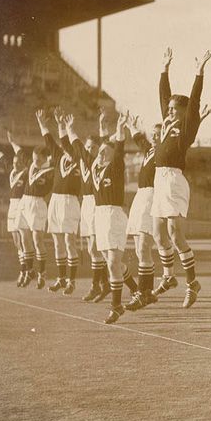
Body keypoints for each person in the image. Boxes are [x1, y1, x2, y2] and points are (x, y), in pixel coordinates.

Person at [150, 47, 211, 309]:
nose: (170, 111)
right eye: (169, 108)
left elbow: (194, 103)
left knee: (175, 235)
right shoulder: (167, 125)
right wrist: (164, 69)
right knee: (157, 233)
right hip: (159, 180)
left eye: (175, 109)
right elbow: (164, 96)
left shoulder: (187, 127)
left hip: (174, 180)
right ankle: (168, 276)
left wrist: (199, 73)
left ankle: (192, 283)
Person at [68, 111, 132, 324]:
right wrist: (69, 129)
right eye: (101, 152)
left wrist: (119, 129)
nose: (102, 154)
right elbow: (79, 148)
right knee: (112, 262)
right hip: (100, 217)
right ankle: (137, 289)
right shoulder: (95, 167)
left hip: (114, 216)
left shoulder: (115, 168)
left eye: (106, 152)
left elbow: (118, 147)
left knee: (113, 262)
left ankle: (116, 306)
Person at [36, 109, 82, 295]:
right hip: (55, 201)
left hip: (70, 202)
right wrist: (43, 124)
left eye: (68, 145)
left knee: (70, 242)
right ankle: (61, 278)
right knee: (57, 242)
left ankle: (71, 281)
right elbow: (49, 139)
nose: (64, 147)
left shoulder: (80, 159)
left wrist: (64, 127)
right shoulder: (58, 156)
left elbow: (65, 141)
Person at [124, 115, 162, 311]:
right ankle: (146, 293)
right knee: (139, 249)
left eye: (158, 134)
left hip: (152, 198)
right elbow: (140, 140)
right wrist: (132, 126)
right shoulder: (150, 150)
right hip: (141, 198)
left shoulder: (164, 153)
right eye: (153, 134)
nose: (154, 137)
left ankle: (143, 292)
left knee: (144, 247)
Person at [76, 111, 112, 303]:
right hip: (86, 204)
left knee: (96, 247)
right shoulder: (84, 162)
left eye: (93, 147)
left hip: (97, 205)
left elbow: (106, 142)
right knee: (93, 248)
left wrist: (101, 124)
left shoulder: (99, 162)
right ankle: (103, 283)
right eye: (88, 146)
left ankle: (99, 284)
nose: (89, 150)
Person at [0, 134, 29, 286]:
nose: (16, 164)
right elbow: (2, 158)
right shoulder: (12, 170)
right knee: (17, 241)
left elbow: (20, 153)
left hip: (22, 205)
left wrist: (13, 142)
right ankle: (24, 269)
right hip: (12, 206)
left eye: (18, 162)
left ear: (23, 163)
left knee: (23, 240)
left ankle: (25, 271)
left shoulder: (27, 173)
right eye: (15, 162)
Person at [15, 130, 53, 290]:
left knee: (37, 240)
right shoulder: (31, 165)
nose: (35, 161)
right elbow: (19, 153)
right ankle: (29, 270)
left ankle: (42, 272)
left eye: (38, 159)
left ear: (46, 158)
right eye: (34, 158)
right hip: (25, 202)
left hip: (38, 205)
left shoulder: (50, 171)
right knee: (24, 238)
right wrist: (12, 141)